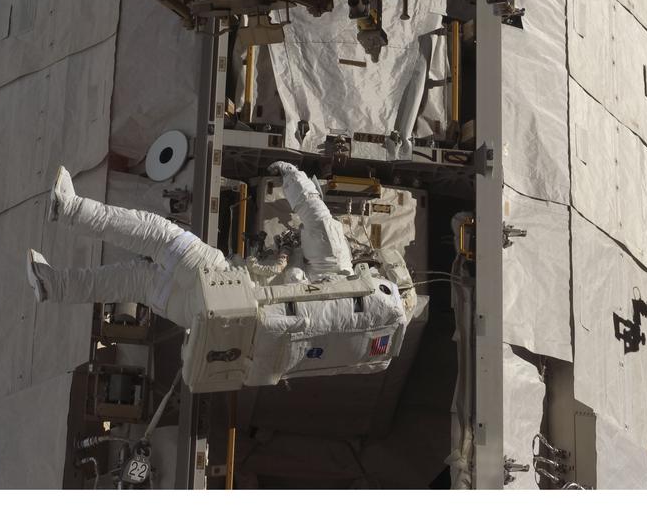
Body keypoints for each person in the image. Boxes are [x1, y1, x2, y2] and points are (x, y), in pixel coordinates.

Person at [25, 162, 411, 386]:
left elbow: (317, 217)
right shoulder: (341, 330)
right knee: (138, 281)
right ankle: (52, 285)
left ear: (376, 274)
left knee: (157, 235)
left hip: (222, 287)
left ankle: (69, 209)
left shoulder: (339, 272)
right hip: (211, 324)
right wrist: (287, 261)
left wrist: (291, 173)